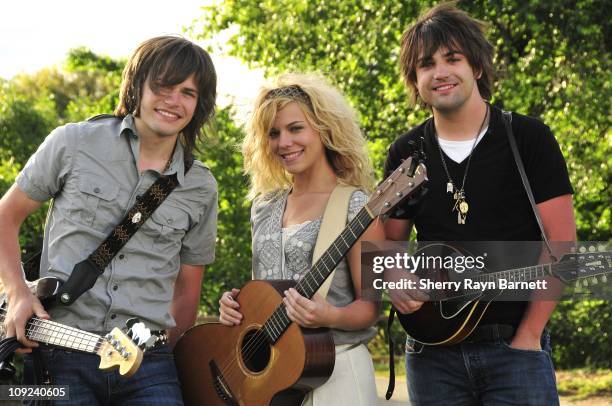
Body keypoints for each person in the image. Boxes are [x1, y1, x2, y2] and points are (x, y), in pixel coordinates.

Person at [0, 35, 218, 404]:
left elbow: (187, 291)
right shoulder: (73, 143)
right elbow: (6, 217)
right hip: (61, 354)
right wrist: (19, 293)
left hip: (149, 365)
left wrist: (161, 351)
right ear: (137, 86)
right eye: (163, 86)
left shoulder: (201, 186)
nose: (173, 101)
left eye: (187, 92)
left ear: (199, 105)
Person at [383, 3, 576, 405]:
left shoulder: (528, 139)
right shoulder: (407, 153)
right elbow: (387, 246)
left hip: (514, 348)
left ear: (477, 67)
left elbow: (562, 243)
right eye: (426, 64)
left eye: (453, 58)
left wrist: (528, 337)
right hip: (430, 353)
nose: (440, 72)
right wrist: (395, 277)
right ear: (414, 79)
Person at [219, 73, 384, 405]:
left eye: (296, 129)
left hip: (338, 369)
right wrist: (234, 308)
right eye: (273, 133)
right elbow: (264, 297)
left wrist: (329, 316)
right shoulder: (263, 208)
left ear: (323, 129)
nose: (284, 143)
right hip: (272, 377)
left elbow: (370, 308)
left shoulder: (359, 208)